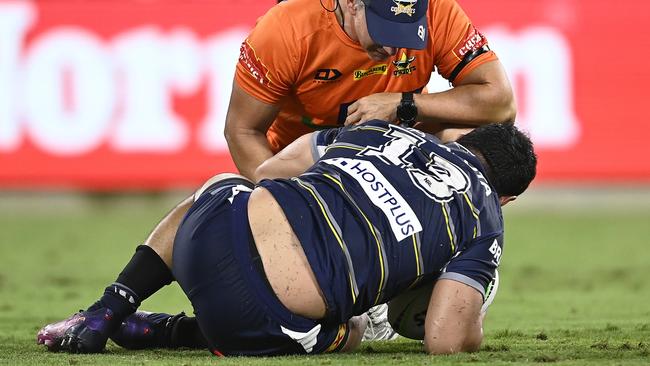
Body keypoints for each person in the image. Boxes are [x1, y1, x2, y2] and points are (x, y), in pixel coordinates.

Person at [37, 121, 536, 356]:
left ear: (457, 140)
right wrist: (470, 324)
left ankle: (106, 311)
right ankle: (169, 333)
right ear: (508, 197)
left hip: (203, 241)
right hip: (260, 320)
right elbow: (445, 341)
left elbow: (272, 172)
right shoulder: (486, 218)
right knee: (354, 327)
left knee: (221, 187)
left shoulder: (386, 132)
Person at [227, 0, 516, 181]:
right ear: (352, 3)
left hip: (397, 156)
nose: (392, 48)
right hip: (305, 166)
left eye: (406, 31)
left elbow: (501, 105)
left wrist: (404, 104)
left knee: (464, 142)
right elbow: (242, 130)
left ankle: (462, 253)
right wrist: (276, 198)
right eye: (384, 30)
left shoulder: (438, 10)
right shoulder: (286, 28)